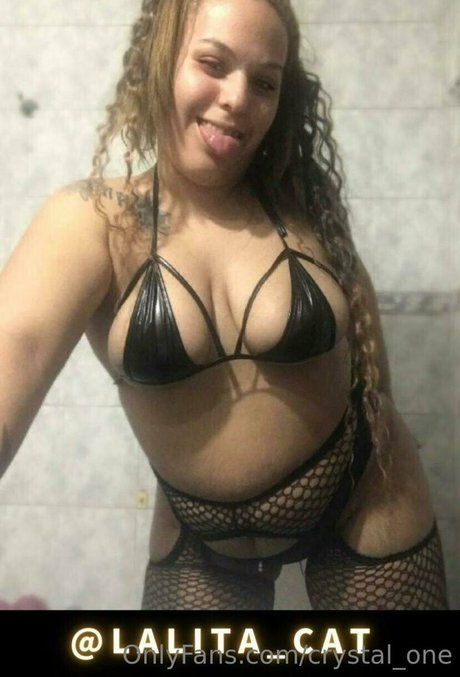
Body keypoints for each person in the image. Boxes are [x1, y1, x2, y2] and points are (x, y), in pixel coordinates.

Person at [0, 0, 449, 610]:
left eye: (264, 83)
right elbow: (17, 352)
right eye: (213, 63)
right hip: (199, 534)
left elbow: (367, 348)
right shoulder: (94, 221)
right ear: (159, 59)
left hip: (365, 498)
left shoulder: (302, 204)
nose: (238, 98)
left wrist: (384, 417)